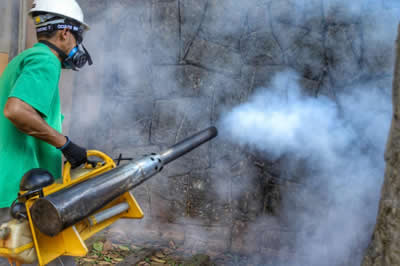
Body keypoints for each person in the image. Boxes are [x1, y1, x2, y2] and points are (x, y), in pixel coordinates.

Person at [0, 1, 92, 264]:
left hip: (10, 185)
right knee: (55, 257)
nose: (78, 43)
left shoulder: (23, 59)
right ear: (65, 33)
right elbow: (16, 110)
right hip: (19, 190)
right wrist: (66, 145)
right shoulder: (44, 60)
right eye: (78, 36)